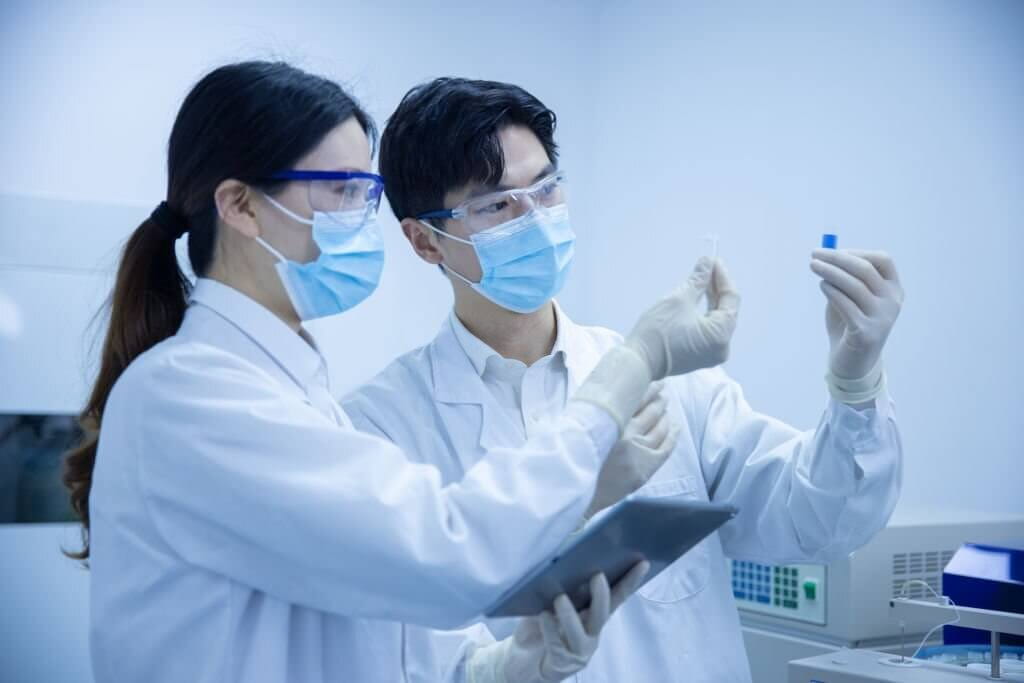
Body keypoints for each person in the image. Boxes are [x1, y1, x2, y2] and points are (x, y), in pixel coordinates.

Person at [62, 62, 740, 683]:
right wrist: (635, 363)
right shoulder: (189, 396)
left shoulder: (297, 399)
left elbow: (393, 637)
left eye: (369, 192)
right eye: (342, 191)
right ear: (238, 205)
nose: (365, 220)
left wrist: (507, 666)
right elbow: (447, 547)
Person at [341, 77, 905, 682]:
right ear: (425, 241)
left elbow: (818, 523)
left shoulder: (669, 384)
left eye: (546, 189)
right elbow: (435, 665)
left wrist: (855, 381)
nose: (536, 219)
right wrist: (577, 511)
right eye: (498, 205)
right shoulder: (380, 429)